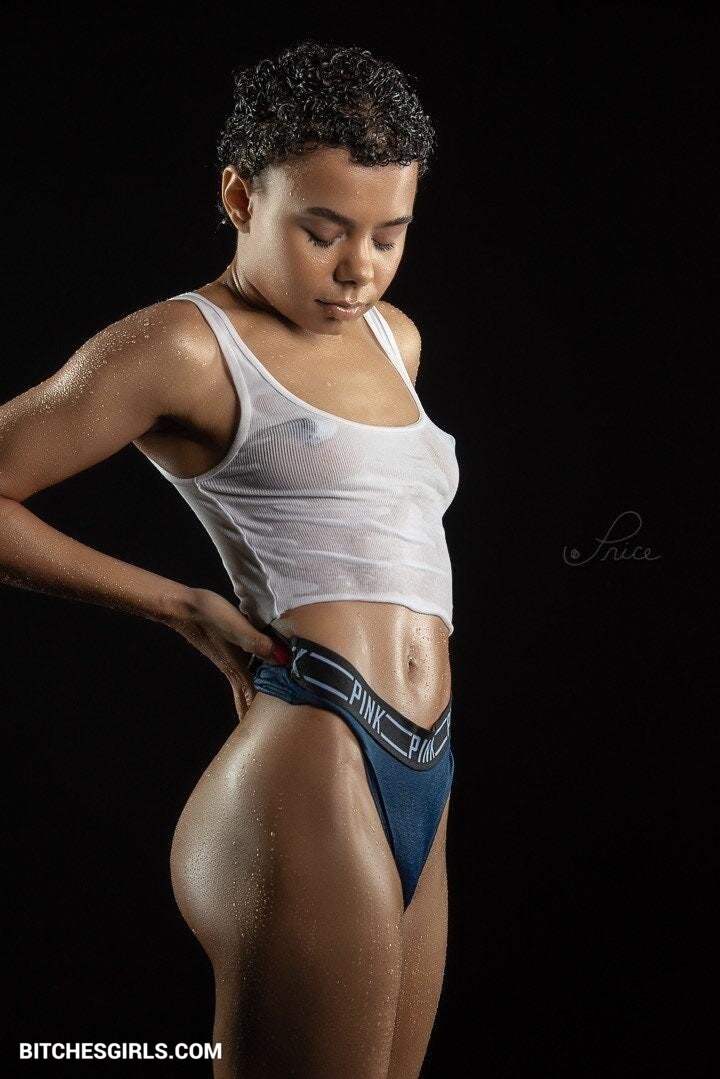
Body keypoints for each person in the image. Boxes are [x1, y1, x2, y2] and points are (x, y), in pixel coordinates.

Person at [0, 39, 460, 1079]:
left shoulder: (395, 339)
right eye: (323, 231)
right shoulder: (187, 346)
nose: (359, 267)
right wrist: (179, 604)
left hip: (426, 760)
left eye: (389, 234)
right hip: (314, 753)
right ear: (241, 197)